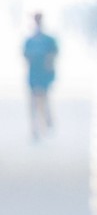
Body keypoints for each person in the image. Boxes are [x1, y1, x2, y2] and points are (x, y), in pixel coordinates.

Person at [24, 12, 60, 141]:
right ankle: (36, 127)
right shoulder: (31, 40)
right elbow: (26, 55)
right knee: (36, 101)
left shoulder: (47, 40)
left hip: (43, 73)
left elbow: (54, 54)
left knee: (42, 99)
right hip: (34, 74)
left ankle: (43, 123)